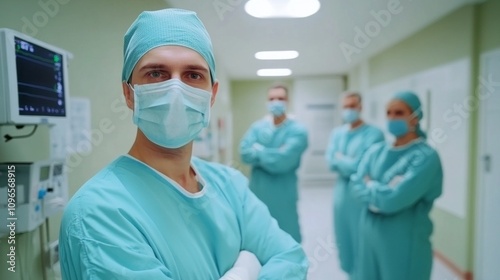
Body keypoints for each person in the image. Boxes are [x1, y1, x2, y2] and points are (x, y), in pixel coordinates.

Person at [59, 9, 308, 280]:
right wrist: (246, 268)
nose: (175, 91)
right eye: (156, 74)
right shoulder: (99, 212)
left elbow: (291, 258)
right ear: (129, 94)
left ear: (211, 95)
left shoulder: (229, 184)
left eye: (193, 75)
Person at [351, 91, 443, 280]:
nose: (392, 118)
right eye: (389, 113)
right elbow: (355, 184)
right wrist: (380, 190)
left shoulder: (424, 157)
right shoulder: (376, 151)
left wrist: (371, 187)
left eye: (399, 113)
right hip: (368, 235)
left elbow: (393, 200)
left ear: (415, 117)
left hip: (403, 240)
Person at [324, 91, 384, 276]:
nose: (349, 110)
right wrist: (348, 162)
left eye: (352, 106)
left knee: (363, 242)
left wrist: (341, 159)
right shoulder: (337, 133)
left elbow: (361, 167)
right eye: (345, 106)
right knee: (345, 240)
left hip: (361, 196)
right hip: (341, 196)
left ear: (360, 107)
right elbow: (330, 161)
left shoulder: (374, 134)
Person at [239, 84, 308, 243]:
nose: (276, 102)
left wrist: (258, 150)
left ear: (288, 101)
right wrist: (275, 152)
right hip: (258, 192)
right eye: (272, 99)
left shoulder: (298, 130)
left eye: (280, 98)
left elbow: (283, 162)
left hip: (284, 193)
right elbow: (244, 153)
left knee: (287, 239)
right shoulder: (258, 127)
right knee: (259, 238)